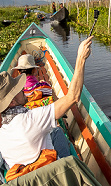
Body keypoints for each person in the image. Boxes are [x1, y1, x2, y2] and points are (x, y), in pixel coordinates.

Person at [0, 36, 92, 181]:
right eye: (18, 89)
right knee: (56, 132)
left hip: (27, 181)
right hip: (53, 180)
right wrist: (81, 58)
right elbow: (73, 97)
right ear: (11, 102)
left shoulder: (2, 134)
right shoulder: (32, 120)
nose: (22, 89)